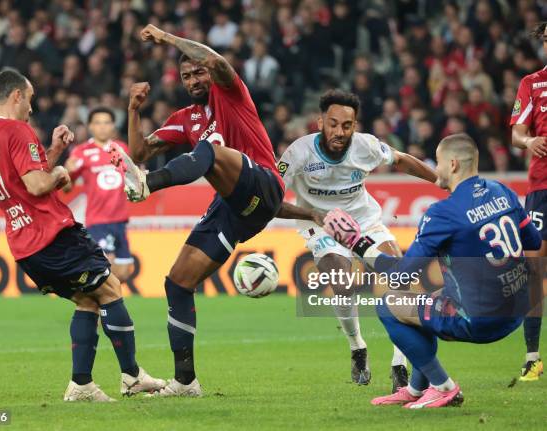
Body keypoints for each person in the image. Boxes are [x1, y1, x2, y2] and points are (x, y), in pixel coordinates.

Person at [114, 24, 286, 397]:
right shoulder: (186, 118)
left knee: (209, 151)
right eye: (186, 75)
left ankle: (149, 184)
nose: (193, 79)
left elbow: (216, 59)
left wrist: (167, 38)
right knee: (177, 283)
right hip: (234, 207)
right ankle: (185, 382)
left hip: (263, 183)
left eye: (198, 72)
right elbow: (140, 152)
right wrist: (132, 110)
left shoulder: (232, 92)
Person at [0, 69, 164, 402]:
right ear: (16, 95)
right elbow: (38, 185)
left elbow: (23, 181)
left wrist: (54, 152)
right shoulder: (16, 129)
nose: (31, 109)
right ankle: (132, 376)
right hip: (51, 233)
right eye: (30, 100)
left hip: (24, 243)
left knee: (86, 300)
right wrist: (61, 172)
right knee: (110, 287)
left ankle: (81, 384)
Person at [324, 133, 542, 408]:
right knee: (425, 301)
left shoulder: (443, 213)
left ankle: (443, 386)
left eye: (437, 162)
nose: (435, 169)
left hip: (482, 319)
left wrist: (359, 244)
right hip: (518, 309)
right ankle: (416, 388)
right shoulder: (503, 190)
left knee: (388, 305)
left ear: (452, 165)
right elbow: (533, 241)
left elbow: (401, 275)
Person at [277, 89, 438, 391]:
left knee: (400, 278)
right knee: (342, 280)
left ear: (355, 125)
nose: (340, 131)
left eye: (347, 125)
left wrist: (439, 180)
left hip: (364, 221)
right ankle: (357, 347)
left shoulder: (365, 146)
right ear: (320, 122)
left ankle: (399, 365)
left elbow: (401, 160)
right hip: (320, 224)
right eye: (334, 124)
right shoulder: (298, 153)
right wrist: (311, 214)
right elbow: (272, 197)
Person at [509, 21, 547, 382]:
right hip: (542, 187)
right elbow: (517, 132)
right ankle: (533, 358)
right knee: (535, 271)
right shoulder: (531, 83)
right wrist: (528, 142)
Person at [64, 107, 134, 284]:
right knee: (107, 269)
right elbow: (66, 187)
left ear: (113, 126)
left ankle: (100, 302)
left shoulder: (122, 149)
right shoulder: (82, 152)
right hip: (98, 220)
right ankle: (102, 308)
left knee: (124, 273)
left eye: (106, 122)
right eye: (97, 123)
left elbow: (134, 178)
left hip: (120, 219)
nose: (102, 127)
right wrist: (67, 171)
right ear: (90, 127)